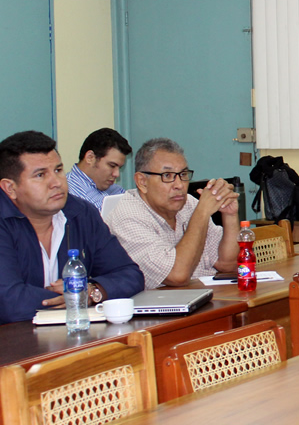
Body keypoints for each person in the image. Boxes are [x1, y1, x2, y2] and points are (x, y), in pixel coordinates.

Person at [0, 131, 143, 324]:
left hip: (70, 335)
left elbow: (130, 274)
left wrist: (93, 292)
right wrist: (74, 297)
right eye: (41, 175)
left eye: (58, 170)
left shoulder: (81, 212)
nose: (56, 183)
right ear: (10, 188)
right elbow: (9, 302)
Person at [107, 138, 240, 290]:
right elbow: (178, 275)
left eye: (183, 174)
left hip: (205, 297)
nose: (179, 185)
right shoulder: (128, 217)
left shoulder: (188, 203)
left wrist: (229, 215)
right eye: (167, 176)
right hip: (163, 308)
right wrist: (202, 213)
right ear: (142, 182)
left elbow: (228, 264)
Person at [66, 128, 133, 211]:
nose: (117, 174)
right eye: (112, 166)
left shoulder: (116, 190)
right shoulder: (67, 194)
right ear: (90, 158)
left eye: (119, 168)